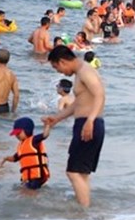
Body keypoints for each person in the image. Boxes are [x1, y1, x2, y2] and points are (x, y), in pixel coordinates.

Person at [42, 46, 106, 208]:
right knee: (81, 173)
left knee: (73, 172)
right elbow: (79, 103)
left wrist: (89, 121)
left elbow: (100, 94)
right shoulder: (81, 72)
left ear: (63, 61)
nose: (59, 72)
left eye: (57, 67)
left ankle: (84, 211)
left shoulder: (85, 72)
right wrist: (56, 118)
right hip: (87, 123)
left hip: (89, 124)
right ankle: (85, 210)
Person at [0, 117, 51, 190]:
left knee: (28, 192)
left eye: (18, 133)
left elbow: (45, 135)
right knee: (22, 190)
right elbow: (15, 158)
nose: (16, 135)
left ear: (27, 130)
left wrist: (47, 125)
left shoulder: (34, 140)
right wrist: (6, 158)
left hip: (38, 176)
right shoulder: (21, 146)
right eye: (15, 134)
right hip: (30, 177)